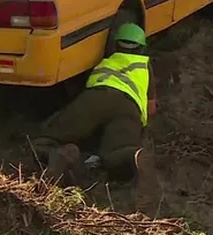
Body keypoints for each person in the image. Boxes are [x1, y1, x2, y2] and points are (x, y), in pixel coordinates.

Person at [31, 23, 160, 211]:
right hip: (128, 108)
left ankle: (56, 152)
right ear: (142, 46)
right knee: (115, 154)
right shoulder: (144, 65)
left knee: (49, 136)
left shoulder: (106, 60)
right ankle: (134, 156)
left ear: (116, 45)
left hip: (95, 99)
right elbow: (151, 108)